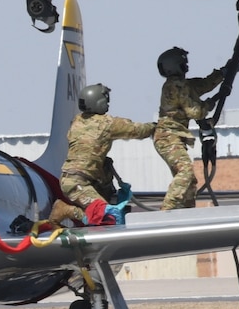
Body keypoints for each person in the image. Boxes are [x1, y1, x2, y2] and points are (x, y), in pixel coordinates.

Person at [56, 82, 156, 226]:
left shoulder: (77, 121)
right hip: (78, 184)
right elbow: (137, 130)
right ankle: (64, 210)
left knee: (103, 213)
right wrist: (155, 126)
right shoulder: (106, 123)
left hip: (72, 180)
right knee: (108, 217)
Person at [155, 47, 227, 211]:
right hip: (168, 137)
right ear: (174, 66)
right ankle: (166, 211)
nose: (186, 65)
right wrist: (208, 104)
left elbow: (203, 85)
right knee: (185, 172)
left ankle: (186, 213)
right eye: (183, 62)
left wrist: (223, 73)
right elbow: (194, 111)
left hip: (172, 138)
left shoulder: (181, 85)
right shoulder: (176, 86)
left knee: (190, 182)